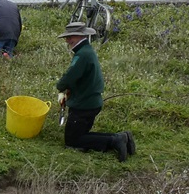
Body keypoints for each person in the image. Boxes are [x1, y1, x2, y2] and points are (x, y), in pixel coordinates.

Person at [55, 22, 134, 162]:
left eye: (70, 37)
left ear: (80, 36)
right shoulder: (87, 51)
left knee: (72, 141)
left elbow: (68, 78)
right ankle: (122, 137)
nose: (67, 40)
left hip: (83, 106)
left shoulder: (82, 56)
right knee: (82, 135)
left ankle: (115, 140)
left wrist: (61, 87)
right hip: (91, 103)